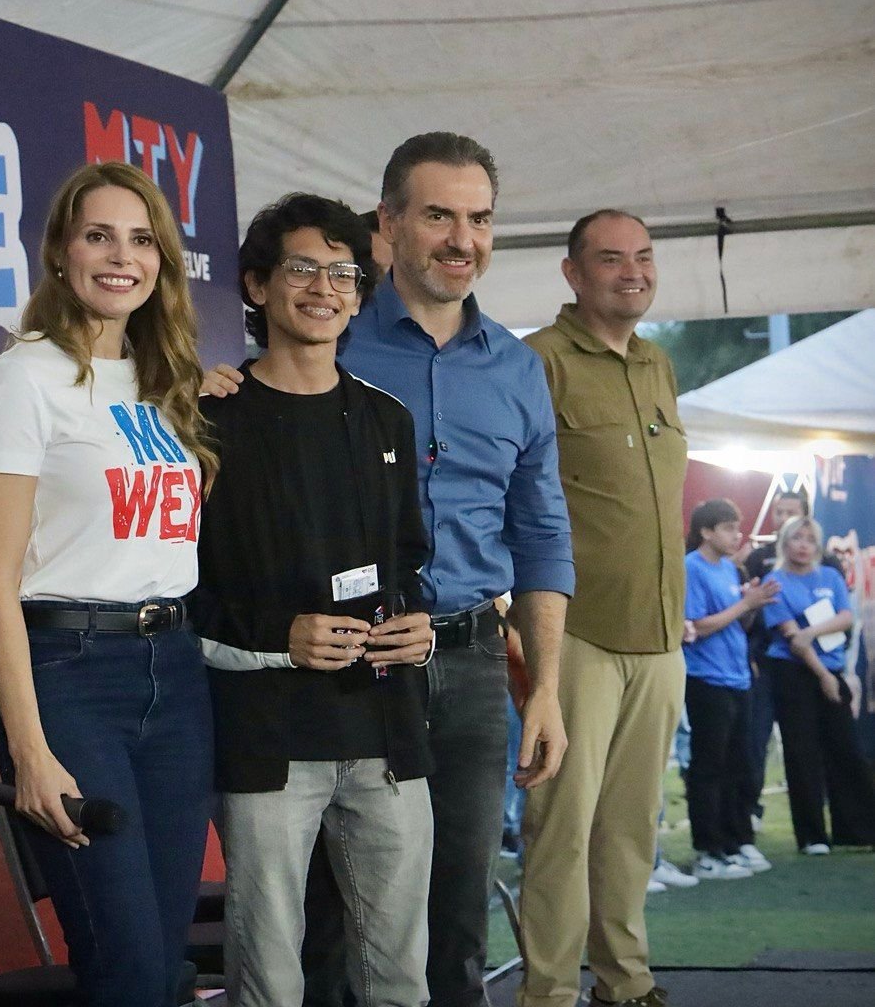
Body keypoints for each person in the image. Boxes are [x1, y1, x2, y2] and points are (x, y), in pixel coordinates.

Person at [205, 132, 575, 1007]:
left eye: (479, 218)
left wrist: (545, 688)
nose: (462, 238)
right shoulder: (324, 336)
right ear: (389, 224)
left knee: (452, 913)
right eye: (439, 215)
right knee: (322, 929)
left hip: (470, 658)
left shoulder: (518, 368)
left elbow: (542, 531)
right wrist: (215, 391)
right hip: (326, 675)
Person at [0, 162, 216, 1006]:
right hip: (70, 677)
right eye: (99, 236)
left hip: (175, 673)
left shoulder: (163, 379)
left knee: (163, 965)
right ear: (60, 252)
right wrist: (30, 752)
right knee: (127, 969)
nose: (121, 257)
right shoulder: (23, 380)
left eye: (142, 240)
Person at [192, 193, 435, 1006]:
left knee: (400, 977)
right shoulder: (205, 421)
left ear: (361, 295)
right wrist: (278, 636)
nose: (324, 288)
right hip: (266, 740)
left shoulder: (386, 420)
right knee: (268, 977)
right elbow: (180, 592)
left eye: (344, 273)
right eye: (302, 268)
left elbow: (410, 562)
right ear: (257, 285)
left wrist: (420, 627)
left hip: (386, 730)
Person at [519, 209, 687, 1007]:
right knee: (561, 828)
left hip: (661, 638)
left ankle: (625, 983)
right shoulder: (537, 362)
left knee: (631, 828)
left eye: (644, 257)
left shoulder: (657, 362)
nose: (634, 272)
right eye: (613, 258)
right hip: (574, 636)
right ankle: (549, 993)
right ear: (573, 273)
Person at [762, 515, 875, 854]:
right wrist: (823, 675)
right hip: (793, 673)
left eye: (810, 540)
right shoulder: (775, 581)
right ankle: (812, 836)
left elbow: (845, 616)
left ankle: (857, 830)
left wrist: (812, 632)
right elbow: (792, 638)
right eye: (797, 538)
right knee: (802, 752)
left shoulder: (829, 576)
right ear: (785, 542)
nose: (803, 546)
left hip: (831, 667)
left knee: (846, 748)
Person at [682, 499, 779, 879]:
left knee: (742, 763)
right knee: (709, 766)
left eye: (737, 528)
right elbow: (695, 627)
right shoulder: (692, 567)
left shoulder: (729, 568)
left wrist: (751, 605)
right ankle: (708, 849)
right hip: (706, 679)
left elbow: (739, 625)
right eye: (728, 528)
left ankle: (737, 841)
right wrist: (744, 605)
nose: (737, 536)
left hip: (738, 677)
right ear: (706, 531)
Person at [743, 488, 844, 828]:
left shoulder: (828, 565)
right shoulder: (760, 560)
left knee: (828, 742)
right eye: (779, 511)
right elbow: (752, 613)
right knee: (758, 739)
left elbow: (844, 615)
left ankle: (840, 817)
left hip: (824, 664)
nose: (784, 518)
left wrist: (815, 641)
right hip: (768, 662)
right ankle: (750, 811)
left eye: (792, 512)